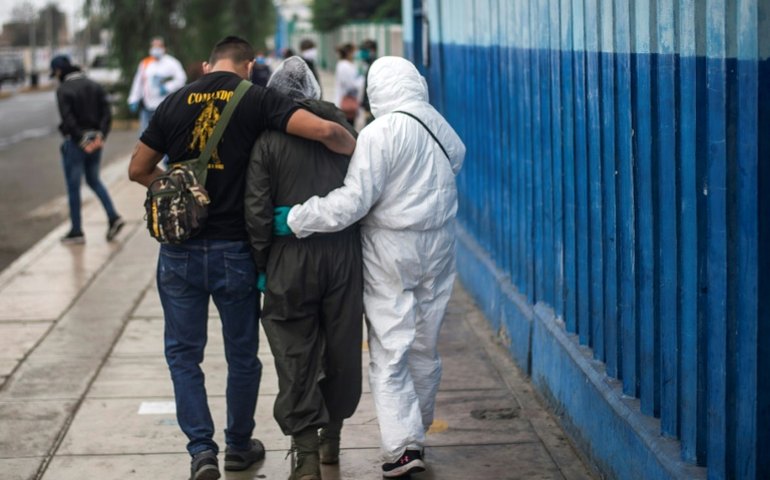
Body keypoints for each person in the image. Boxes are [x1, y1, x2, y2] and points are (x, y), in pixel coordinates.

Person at [127, 36, 356, 480]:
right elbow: (325, 131)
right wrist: (356, 151)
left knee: (183, 354)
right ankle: (238, 445)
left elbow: (138, 169)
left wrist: (181, 194)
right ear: (249, 66)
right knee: (242, 355)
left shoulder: (173, 101)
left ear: (206, 64)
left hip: (178, 253)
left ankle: (201, 452)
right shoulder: (256, 99)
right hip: (233, 250)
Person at [273, 56, 466, 478]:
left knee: (391, 345)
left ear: (376, 89)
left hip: (390, 246)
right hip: (439, 243)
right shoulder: (438, 124)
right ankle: (417, 433)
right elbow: (455, 160)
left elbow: (353, 201)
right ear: (415, 83)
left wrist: (297, 218)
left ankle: (402, 446)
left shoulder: (379, 133)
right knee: (424, 343)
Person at [244, 56, 362, 480]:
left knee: (295, 351)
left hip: (288, 257)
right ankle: (333, 438)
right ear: (314, 91)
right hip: (344, 255)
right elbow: (366, 193)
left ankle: (306, 455)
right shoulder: (347, 132)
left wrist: (262, 265)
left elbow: (257, 211)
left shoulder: (267, 140)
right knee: (342, 345)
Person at [50, 54, 125, 245]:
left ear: (59, 71)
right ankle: (113, 216)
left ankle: (76, 230)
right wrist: (100, 136)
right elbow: (107, 114)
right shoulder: (94, 85)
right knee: (94, 180)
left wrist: (81, 140)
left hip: (75, 142)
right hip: (96, 139)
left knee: (73, 186)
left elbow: (68, 119)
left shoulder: (63, 90)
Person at [127, 36, 187, 135]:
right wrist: (133, 99)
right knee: (145, 136)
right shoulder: (145, 63)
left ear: (164, 48)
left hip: (166, 108)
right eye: (154, 46)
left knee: (165, 135)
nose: (156, 49)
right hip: (148, 107)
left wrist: (167, 87)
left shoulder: (172, 63)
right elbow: (138, 83)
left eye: (159, 46)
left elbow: (181, 79)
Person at [333, 43, 362, 125]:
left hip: (348, 100)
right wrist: (361, 81)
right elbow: (350, 85)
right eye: (354, 51)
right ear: (349, 53)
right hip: (346, 101)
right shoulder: (344, 66)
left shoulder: (347, 65)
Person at [358, 39, 377, 124]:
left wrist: (367, 106)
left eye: (365, 51)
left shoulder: (375, 65)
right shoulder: (367, 64)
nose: (363, 54)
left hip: (372, 107)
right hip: (368, 106)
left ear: (372, 50)